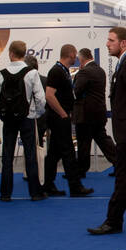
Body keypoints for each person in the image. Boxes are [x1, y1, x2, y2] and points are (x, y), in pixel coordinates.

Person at [89, 27, 126, 234]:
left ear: (123, 43)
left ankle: (113, 220)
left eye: (111, 40)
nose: (107, 44)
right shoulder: (125, 63)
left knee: (123, 177)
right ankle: (125, 220)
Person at [0, 40, 47, 202]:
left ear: (11, 53)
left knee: (6, 156)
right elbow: (40, 99)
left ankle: (5, 194)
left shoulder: (1, 73)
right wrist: (36, 113)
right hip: (27, 118)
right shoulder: (32, 73)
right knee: (30, 155)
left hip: (8, 119)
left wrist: (2, 114)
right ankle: (35, 193)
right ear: (24, 53)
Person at [44, 45, 93, 197]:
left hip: (61, 116)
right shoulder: (56, 71)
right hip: (59, 117)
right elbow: (49, 95)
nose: (77, 58)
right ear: (71, 54)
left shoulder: (62, 71)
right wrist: (63, 114)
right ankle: (75, 187)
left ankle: (47, 184)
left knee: (54, 153)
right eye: (75, 55)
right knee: (68, 152)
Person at [73, 48, 117, 177]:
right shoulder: (100, 70)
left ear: (81, 59)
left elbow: (77, 92)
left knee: (83, 143)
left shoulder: (84, 72)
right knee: (103, 140)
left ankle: (81, 170)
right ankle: (119, 163)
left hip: (85, 114)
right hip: (98, 113)